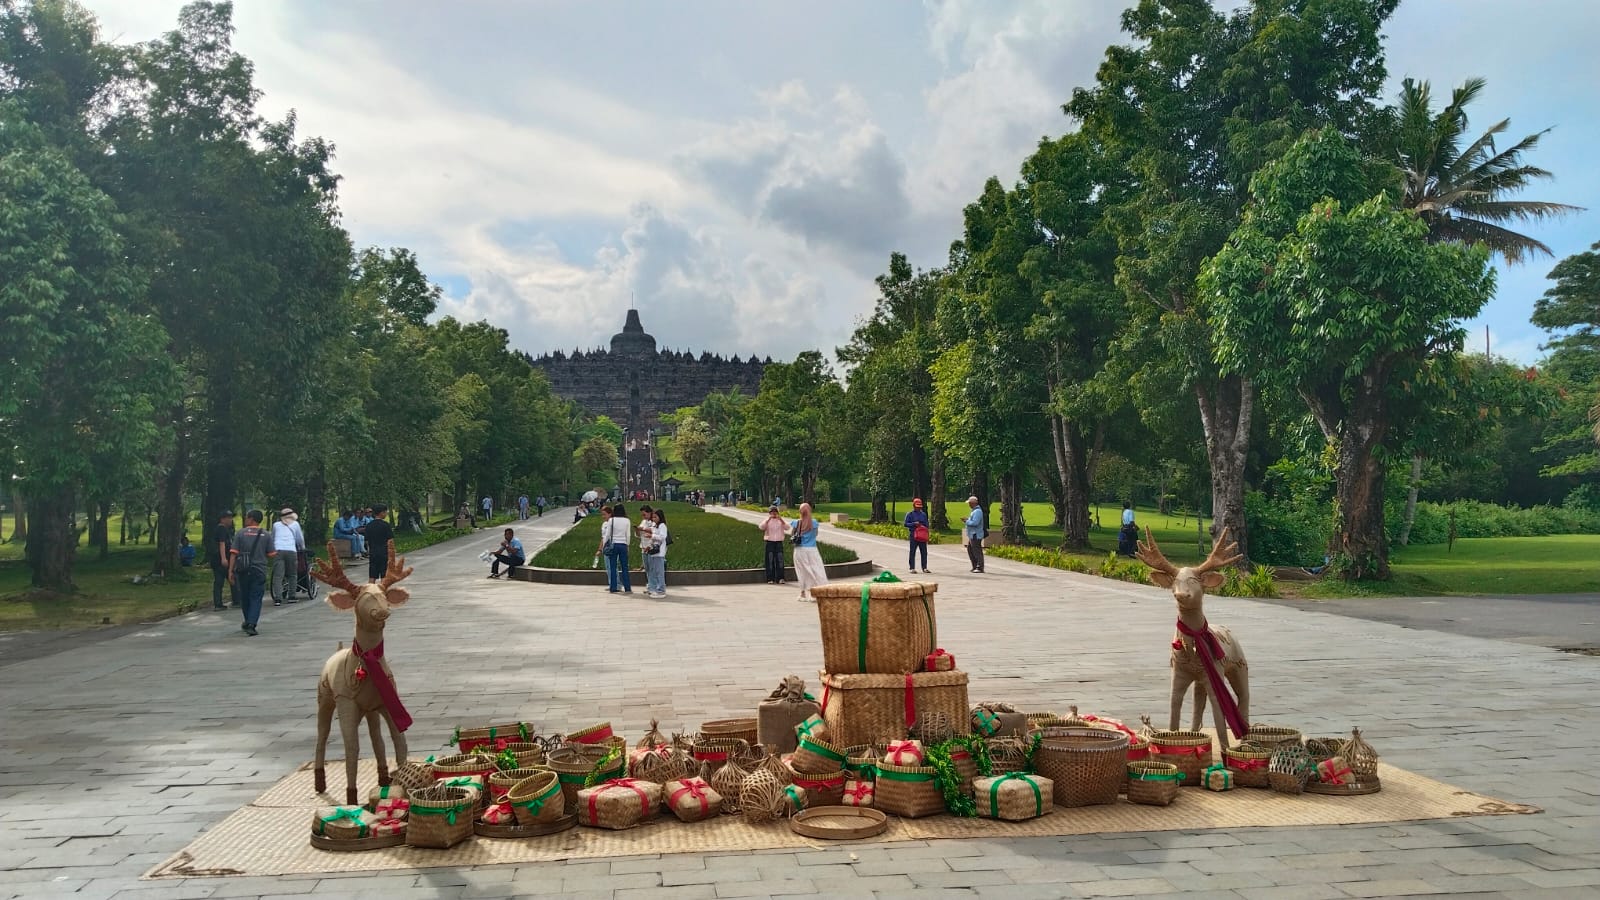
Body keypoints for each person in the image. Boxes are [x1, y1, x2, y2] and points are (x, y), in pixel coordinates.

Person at [230, 509, 273, 636]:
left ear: (251, 519)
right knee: (256, 597)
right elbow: (272, 554)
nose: (245, 519)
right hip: (259, 570)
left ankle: (247, 620)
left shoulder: (240, 533)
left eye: (247, 517)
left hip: (243, 570)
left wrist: (230, 571)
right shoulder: (266, 534)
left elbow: (233, 553)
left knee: (245, 596)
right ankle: (252, 623)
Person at [789, 502, 828, 602]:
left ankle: (802, 593)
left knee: (802, 571)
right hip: (812, 550)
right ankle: (815, 592)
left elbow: (792, 534)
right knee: (816, 569)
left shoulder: (796, 522)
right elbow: (815, 535)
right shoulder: (814, 523)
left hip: (799, 550)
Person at [270, 508, 304, 606]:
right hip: (291, 551)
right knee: (292, 574)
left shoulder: (276, 525)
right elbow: (299, 539)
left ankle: (278, 599)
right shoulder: (295, 524)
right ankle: (292, 596)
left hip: (278, 550)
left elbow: (273, 537)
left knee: (278, 576)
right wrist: (302, 548)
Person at [597, 504, 633, 593]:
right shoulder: (627, 521)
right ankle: (627, 587)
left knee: (613, 567)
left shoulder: (611, 520)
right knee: (624, 567)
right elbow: (628, 535)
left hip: (614, 544)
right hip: (623, 544)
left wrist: (604, 545)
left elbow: (607, 535)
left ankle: (613, 587)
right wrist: (627, 545)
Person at [209, 510, 236, 610]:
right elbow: (222, 543)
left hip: (219, 559)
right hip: (221, 560)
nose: (230, 520)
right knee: (225, 580)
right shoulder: (222, 529)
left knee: (225, 580)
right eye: (228, 518)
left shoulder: (222, 529)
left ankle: (224, 601)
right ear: (222, 519)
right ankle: (219, 603)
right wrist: (224, 558)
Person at [363, 504, 395, 582]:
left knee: (372, 575)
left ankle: (370, 592)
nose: (386, 514)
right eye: (385, 512)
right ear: (381, 513)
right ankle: (383, 592)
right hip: (384, 553)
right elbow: (390, 541)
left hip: (373, 553)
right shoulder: (386, 525)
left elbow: (366, 541)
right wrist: (392, 553)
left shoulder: (369, 526)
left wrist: (369, 551)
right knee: (384, 575)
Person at [644, 507, 669, 598]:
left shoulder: (662, 526)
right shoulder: (655, 526)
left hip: (659, 552)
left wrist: (652, 535)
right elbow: (653, 539)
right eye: (653, 517)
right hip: (654, 551)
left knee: (659, 572)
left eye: (655, 517)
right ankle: (656, 588)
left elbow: (662, 537)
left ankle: (661, 590)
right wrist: (648, 546)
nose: (654, 519)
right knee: (654, 571)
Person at [761, 505, 787, 584]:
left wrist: (781, 520)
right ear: (769, 513)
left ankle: (780, 578)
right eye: (772, 512)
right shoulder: (767, 520)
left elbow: (787, 527)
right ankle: (770, 578)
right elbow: (761, 527)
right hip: (770, 542)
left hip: (779, 542)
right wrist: (768, 520)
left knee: (780, 560)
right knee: (770, 560)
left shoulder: (780, 521)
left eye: (775, 512)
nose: (774, 514)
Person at [904, 497, 931, 574]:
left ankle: (924, 567)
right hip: (913, 535)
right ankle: (912, 567)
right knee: (912, 551)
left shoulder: (923, 514)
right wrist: (914, 524)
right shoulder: (910, 514)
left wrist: (925, 528)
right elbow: (906, 524)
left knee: (924, 552)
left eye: (919, 507)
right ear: (914, 506)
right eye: (917, 506)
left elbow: (927, 524)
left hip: (922, 535)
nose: (918, 508)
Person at [963, 496, 986, 573]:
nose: (969, 505)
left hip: (976, 534)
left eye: (969, 503)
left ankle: (980, 567)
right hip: (972, 534)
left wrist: (967, 521)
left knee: (977, 550)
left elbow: (975, 523)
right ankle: (975, 565)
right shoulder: (974, 511)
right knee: (970, 549)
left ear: (973, 503)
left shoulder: (977, 512)